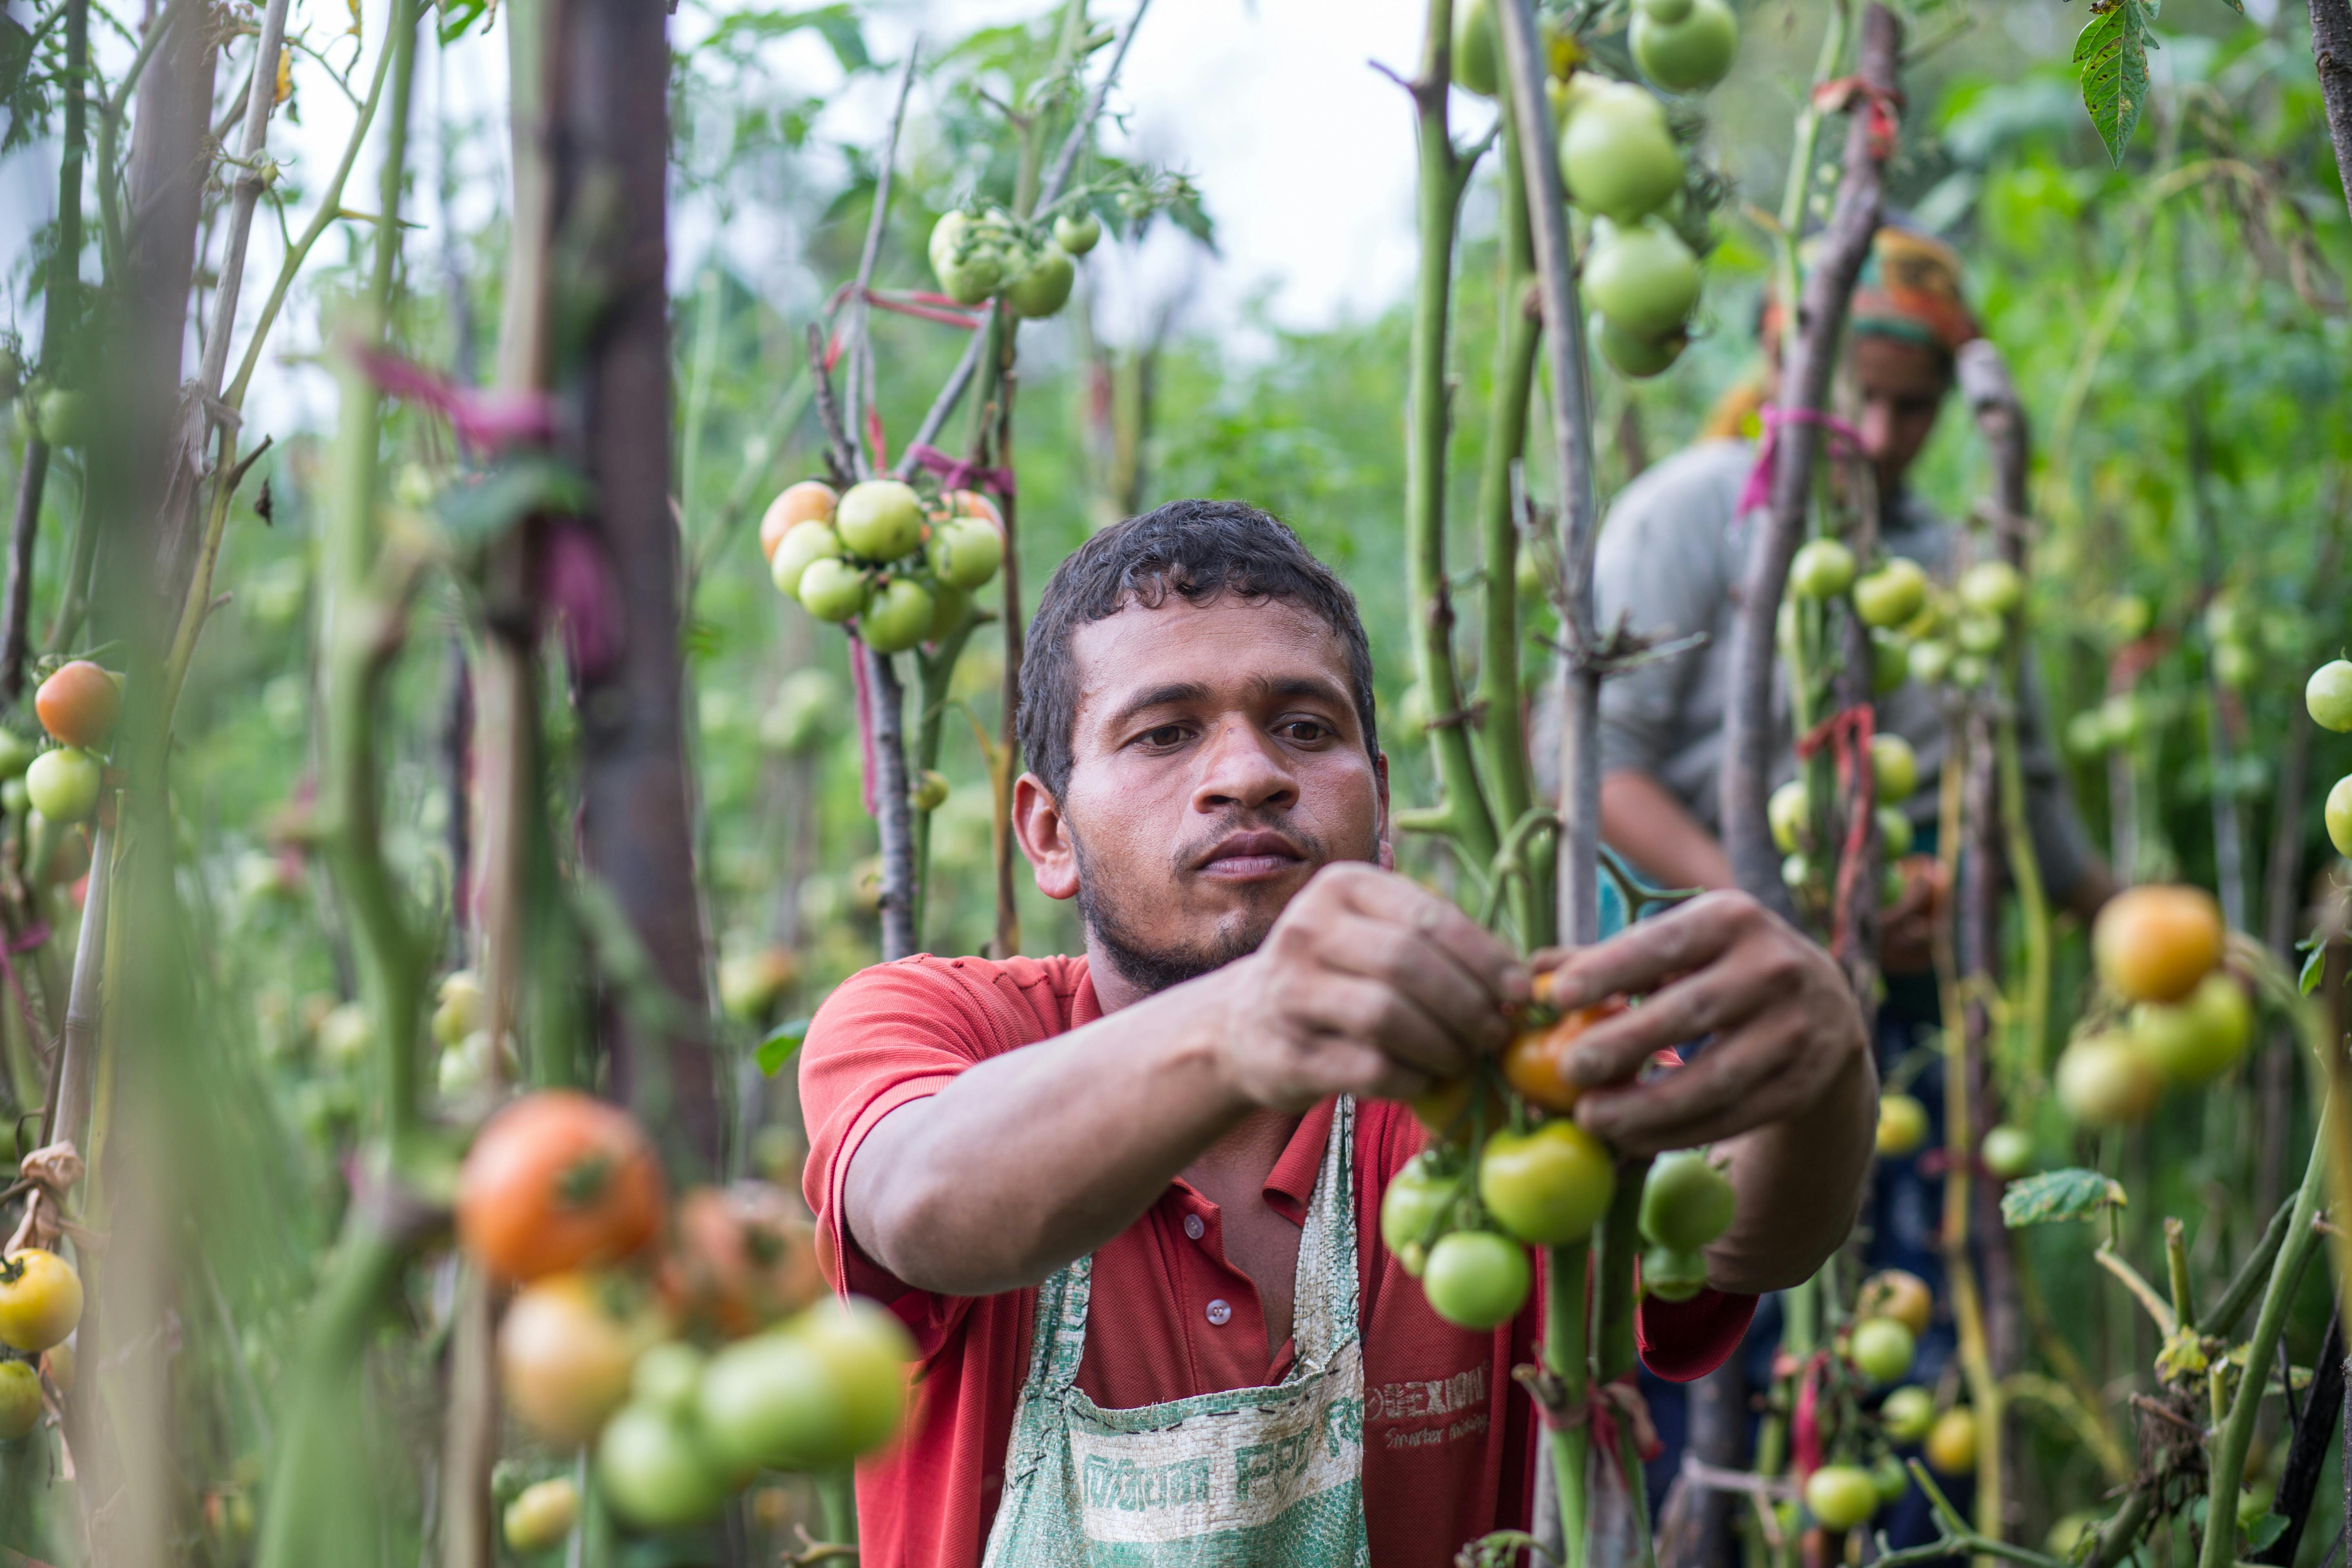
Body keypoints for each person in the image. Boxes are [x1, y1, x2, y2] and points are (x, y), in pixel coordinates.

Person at [799, 501, 1878, 1568]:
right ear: (1049, 832)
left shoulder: (1492, 1078)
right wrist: (1240, 1025)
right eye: (1165, 732)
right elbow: (924, 1202)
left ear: (1384, 807)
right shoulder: (935, 1025)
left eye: (1306, 728)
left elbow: (1746, 1233)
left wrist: (1823, 1070)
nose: (1249, 774)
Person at [1594, 226, 2113, 935]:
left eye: (1913, 408)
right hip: (1691, 937)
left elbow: (2023, 787)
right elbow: (1597, 768)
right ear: (1782, 369)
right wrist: (1782, 922)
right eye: (1860, 395)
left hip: (1885, 973)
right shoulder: (1685, 515)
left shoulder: (1945, 560)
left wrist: (2122, 913)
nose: (1876, 437)